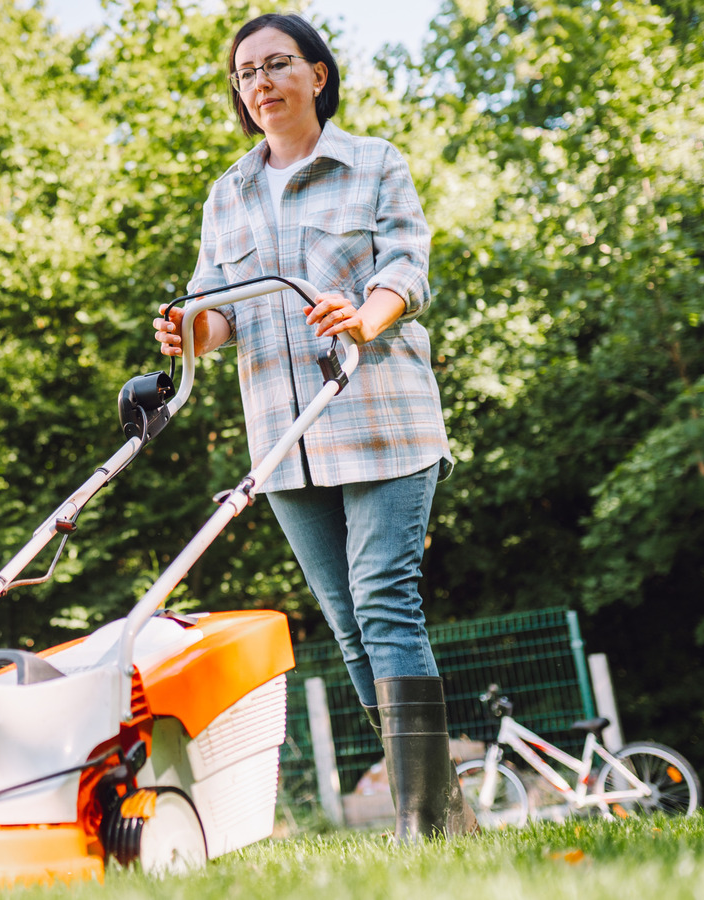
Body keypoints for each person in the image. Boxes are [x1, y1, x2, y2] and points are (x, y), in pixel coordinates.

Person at [151, 12, 474, 840]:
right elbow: (215, 307)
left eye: (276, 65)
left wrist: (366, 317)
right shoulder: (228, 192)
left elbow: (408, 266)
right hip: (285, 441)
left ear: (316, 74)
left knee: (385, 603)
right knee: (347, 622)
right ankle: (439, 812)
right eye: (246, 73)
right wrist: (190, 329)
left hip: (381, 418)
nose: (260, 83)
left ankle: (424, 825)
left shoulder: (373, 164)